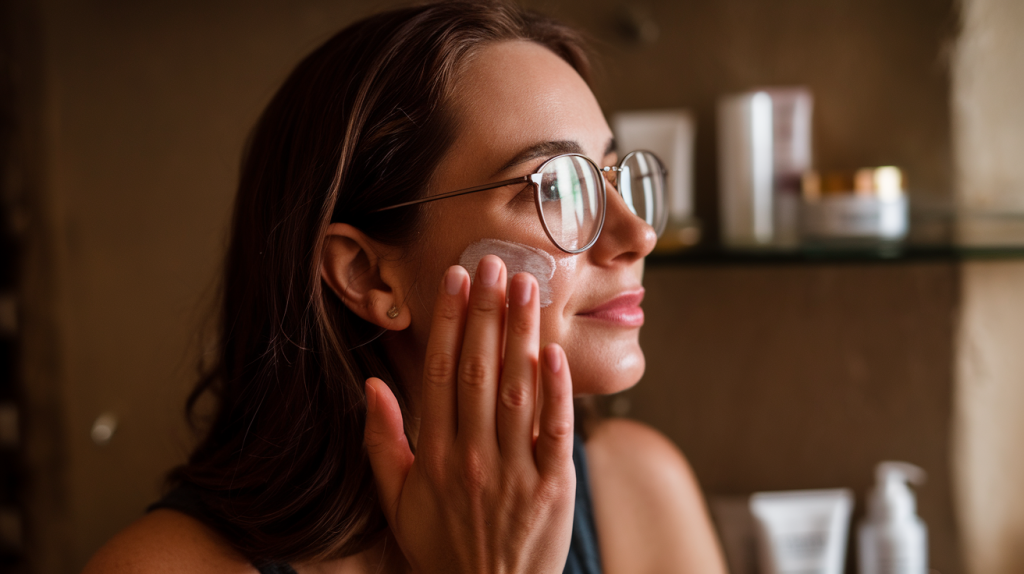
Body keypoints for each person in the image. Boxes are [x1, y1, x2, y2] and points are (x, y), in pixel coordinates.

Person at [84, 2, 727, 573]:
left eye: (612, 175)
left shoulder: (638, 488)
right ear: (368, 275)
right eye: (557, 187)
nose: (637, 234)